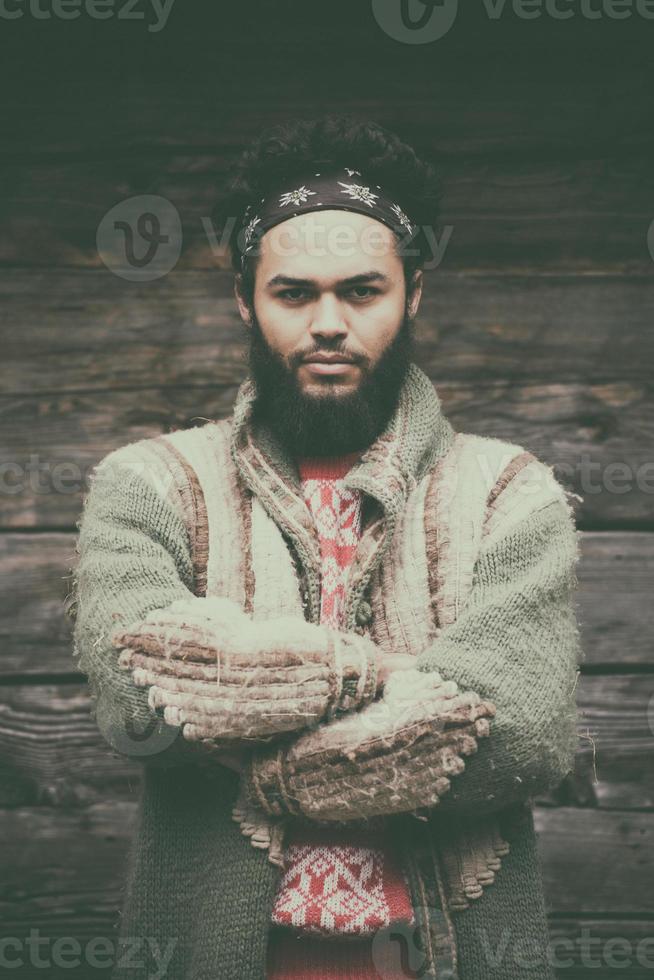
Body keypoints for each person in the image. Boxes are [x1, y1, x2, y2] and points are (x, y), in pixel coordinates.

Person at [70, 115, 583, 979]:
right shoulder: (151, 482)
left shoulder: (508, 491)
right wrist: (387, 680)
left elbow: (521, 733)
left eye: (363, 290)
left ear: (413, 293)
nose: (330, 322)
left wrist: (253, 729)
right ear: (245, 299)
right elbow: (139, 697)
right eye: (295, 293)